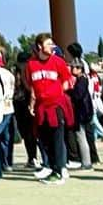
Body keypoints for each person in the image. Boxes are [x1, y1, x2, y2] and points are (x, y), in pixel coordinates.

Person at [26, 34, 72, 183]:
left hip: (56, 105)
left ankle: (59, 170)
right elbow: (32, 86)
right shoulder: (31, 65)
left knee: (57, 138)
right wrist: (32, 103)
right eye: (48, 44)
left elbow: (66, 81)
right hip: (41, 106)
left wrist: (57, 94)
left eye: (53, 44)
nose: (52, 46)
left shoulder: (58, 62)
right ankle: (51, 168)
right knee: (44, 139)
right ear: (40, 46)